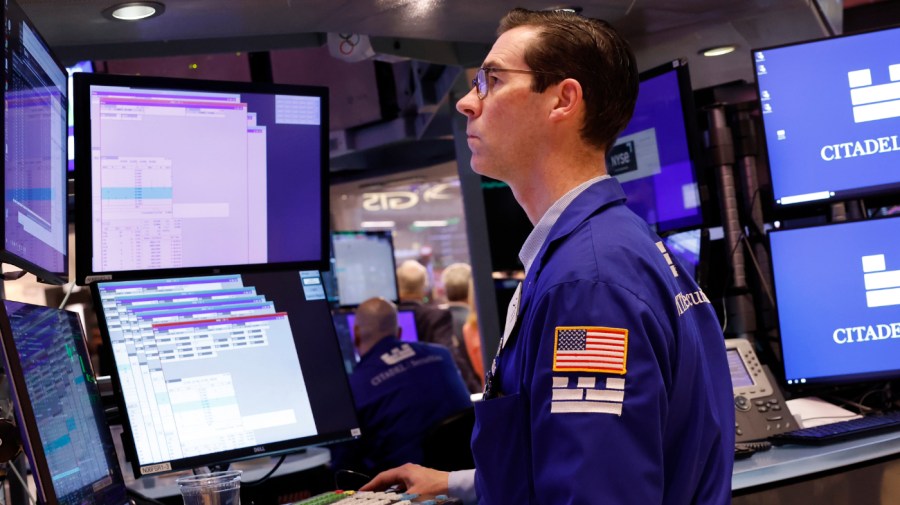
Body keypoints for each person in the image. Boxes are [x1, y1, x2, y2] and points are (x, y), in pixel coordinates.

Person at [362, 8, 734, 504]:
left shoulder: (588, 285)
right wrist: (456, 483)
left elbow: (597, 493)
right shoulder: (615, 246)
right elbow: (580, 456)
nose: (467, 103)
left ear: (563, 100)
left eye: (491, 80)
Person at [329, 297, 472, 475]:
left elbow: (344, 466)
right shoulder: (442, 355)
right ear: (399, 332)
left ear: (356, 334)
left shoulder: (352, 389)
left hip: (407, 488)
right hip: (468, 478)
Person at [397, 259, 482, 393]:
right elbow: (451, 357)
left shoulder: (388, 320)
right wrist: (477, 392)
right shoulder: (441, 319)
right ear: (424, 285)